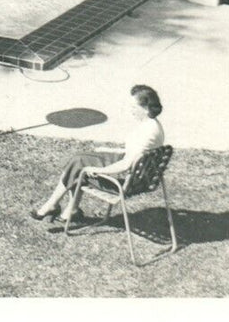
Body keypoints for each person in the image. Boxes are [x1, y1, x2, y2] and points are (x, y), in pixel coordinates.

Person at [31, 84, 166, 226]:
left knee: (78, 167)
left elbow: (125, 165)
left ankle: (54, 205)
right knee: (79, 159)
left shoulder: (148, 133)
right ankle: (69, 209)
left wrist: (96, 170)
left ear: (145, 109)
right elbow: (136, 154)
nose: (130, 110)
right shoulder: (152, 126)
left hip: (129, 183)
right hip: (137, 174)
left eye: (133, 107)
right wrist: (111, 151)